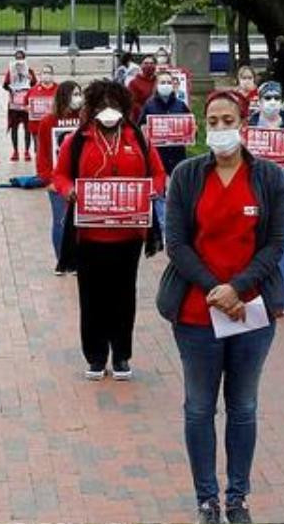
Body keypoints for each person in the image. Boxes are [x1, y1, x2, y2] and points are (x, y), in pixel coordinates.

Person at [157, 89, 284, 524]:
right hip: (197, 314)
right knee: (199, 407)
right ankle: (207, 500)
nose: (219, 128)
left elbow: (274, 245)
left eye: (227, 120)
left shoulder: (268, 176)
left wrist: (239, 288)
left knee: (243, 407)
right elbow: (175, 242)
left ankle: (237, 497)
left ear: (243, 122)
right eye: (212, 121)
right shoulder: (188, 175)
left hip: (252, 314)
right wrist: (217, 288)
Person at [52, 80, 165, 381]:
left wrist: (152, 191)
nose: (108, 112)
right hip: (89, 235)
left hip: (128, 235)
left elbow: (157, 174)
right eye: (101, 106)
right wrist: (70, 191)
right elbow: (60, 175)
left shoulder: (138, 138)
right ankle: (95, 355)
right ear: (91, 109)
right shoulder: (77, 140)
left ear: (125, 108)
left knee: (123, 297)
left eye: (114, 106)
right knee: (91, 297)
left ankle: (122, 355)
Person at [247, 81, 284, 316]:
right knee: (257, 248)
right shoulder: (250, 128)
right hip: (258, 196)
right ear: (259, 101)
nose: (272, 102)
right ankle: (257, 295)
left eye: (276, 97)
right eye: (267, 97)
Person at [35, 80, 83, 274]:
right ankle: (62, 261)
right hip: (57, 182)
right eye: (75, 94)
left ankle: (78, 260)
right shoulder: (48, 121)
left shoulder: (85, 119)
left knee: (80, 222)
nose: (78, 98)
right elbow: (43, 153)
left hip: (81, 180)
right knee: (61, 221)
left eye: (80, 93)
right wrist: (48, 180)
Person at [139, 69, 193, 234]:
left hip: (177, 153)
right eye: (162, 82)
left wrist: (191, 130)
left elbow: (191, 128)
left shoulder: (180, 105)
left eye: (169, 82)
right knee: (159, 190)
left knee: (178, 189)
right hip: (157, 154)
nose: (166, 85)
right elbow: (140, 126)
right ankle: (162, 226)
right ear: (156, 85)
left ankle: (178, 223)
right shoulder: (149, 105)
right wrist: (145, 133)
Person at [2, 50, 37, 161]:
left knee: (27, 128)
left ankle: (27, 151)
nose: (19, 60)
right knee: (14, 128)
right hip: (14, 103)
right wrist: (10, 89)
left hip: (25, 102)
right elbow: (5, 85)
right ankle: (15, 151)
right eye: (17, 58)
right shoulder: (11, 71)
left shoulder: (29, 71)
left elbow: (34, 84)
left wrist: (30, 79)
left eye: (21, 58)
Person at [26, 63, 58, 151]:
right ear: (40, 75)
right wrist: (28, 109)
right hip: (37, 127)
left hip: (54, 127)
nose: (46, 75)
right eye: (44, 73)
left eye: (48, 72)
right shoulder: (32, 90)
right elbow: (25, 105)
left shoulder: (59, 89)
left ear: (52, 75)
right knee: (39, 151)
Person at [127, 54, 158, 121]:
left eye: (151, 63)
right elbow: (132, 103)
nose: (149, 66)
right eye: (146, 63)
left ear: (155, 66)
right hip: (141, 118)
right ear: (141, 65)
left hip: (158, 116)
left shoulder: (159, 81)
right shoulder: (134, 83)